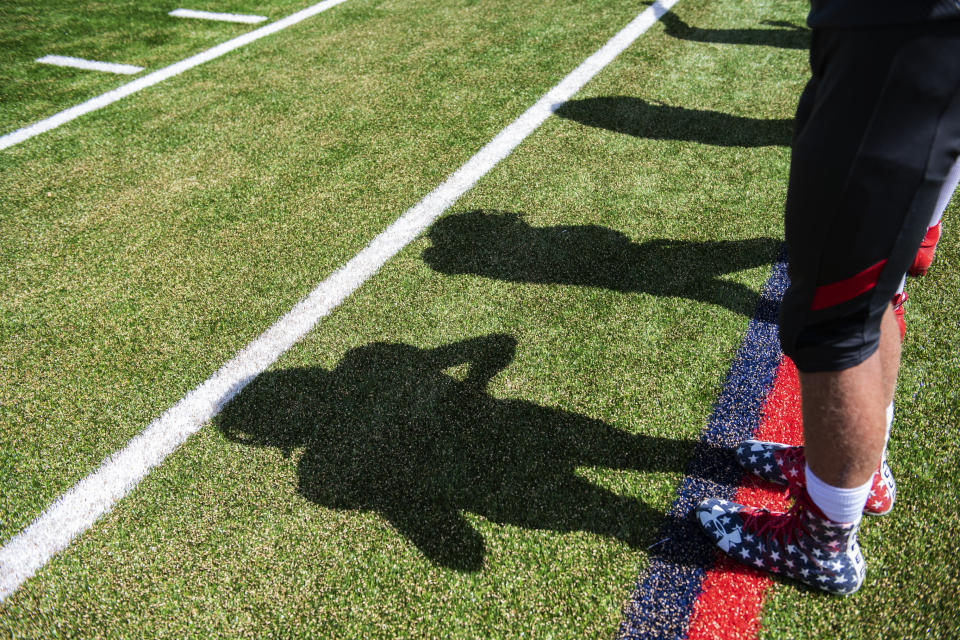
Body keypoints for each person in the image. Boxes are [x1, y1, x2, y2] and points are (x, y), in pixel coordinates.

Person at [696, 1, 960, 595]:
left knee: (835, 315)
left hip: (904, 32)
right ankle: (856, 479)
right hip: (895, 32)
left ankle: (823, 543)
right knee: (875, 285)